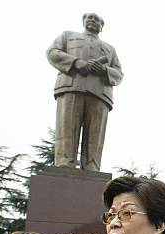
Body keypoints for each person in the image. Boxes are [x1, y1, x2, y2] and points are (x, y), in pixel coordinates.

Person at [47, 12, 123, 171]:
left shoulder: (110, 49)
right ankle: (64, 165)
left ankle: (92, 168)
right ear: (83, 22)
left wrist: (103, 70)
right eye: (89, 18)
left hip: (100, 94)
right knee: (66, 129)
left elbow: (119, 74)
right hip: (70, 87)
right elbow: (52, 52)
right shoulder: (68, 36)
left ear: (101, 27)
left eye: (97, 20)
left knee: (95, 136)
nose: (93, 21)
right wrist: (76, 62)